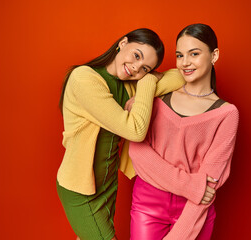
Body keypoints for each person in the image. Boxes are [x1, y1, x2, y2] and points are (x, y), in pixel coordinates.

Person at [56, 28, 185, 240]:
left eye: (145, 68)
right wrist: (148, 82)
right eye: (136, 55)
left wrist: (146, 82)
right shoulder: (84, 79)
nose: (135, 68)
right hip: (81, 190)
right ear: (123, 43)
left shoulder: (129, 84)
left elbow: (179, 76)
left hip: (107, 185)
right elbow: (135, 130)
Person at [128, 24, 240, 240]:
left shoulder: (227, 114)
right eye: (180, 55)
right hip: (147, 205)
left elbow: (209, 186)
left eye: (194, 54)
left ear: (214, 55)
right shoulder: (156, 100)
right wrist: (191, 186)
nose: (185, 62)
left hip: (194, 212)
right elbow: (138, 153)